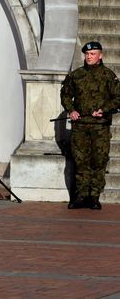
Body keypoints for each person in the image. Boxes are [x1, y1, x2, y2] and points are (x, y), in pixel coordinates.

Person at [60, 41, 120, 210]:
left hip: (100, 126)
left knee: (98, 161)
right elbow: (65, 94)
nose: (89, 56)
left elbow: (117, 98)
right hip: (80, 126)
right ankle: (80, 196)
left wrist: (104, 109)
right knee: (80, 161)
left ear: (100, 56)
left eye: (93, 54)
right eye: (87, 54)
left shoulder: (109, 76)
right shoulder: (76, 75)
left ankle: (94, 197)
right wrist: (71, 110)